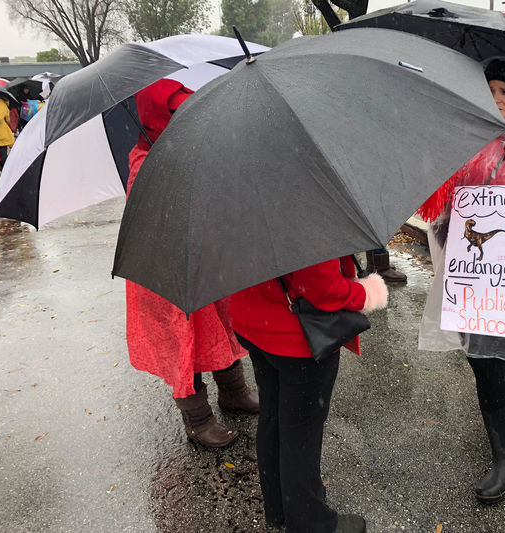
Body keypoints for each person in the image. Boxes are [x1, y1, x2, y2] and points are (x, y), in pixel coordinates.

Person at [417, 59, 505, 505]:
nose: (496, 99)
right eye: (491, 90)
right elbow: (443, 198)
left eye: (504, 91)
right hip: (475, 272)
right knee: (482, 357)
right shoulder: (470, 136)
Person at [125, 79, 259, 449]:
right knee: (184, 338)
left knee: (220, 325)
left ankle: (233, 391)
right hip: (166, 271)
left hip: (203, 259)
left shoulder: (189, 148)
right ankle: (196, 418)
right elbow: (156, 222)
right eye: (175, 112)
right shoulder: (145, 160)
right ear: (158, 117)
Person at [229, 258, 388, 533]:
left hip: (252, 319)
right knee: (301, 435)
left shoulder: (234, 214)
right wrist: (368, 293)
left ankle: (279, 506)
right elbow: (321, 286)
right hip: (296, 337)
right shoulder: (307, 216)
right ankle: (310, 523)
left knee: (273, 417)